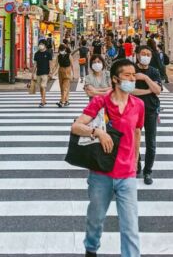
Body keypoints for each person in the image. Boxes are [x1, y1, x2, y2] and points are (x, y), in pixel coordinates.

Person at [71, 58, 144, 257]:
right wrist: (98, 132)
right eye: (127, 75)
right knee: (95, 219)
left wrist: (135, 160)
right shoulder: (100, 102)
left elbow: (137, 132)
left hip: (126, 174)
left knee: (130, 227)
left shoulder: (138, 105)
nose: (132, 79)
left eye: (133, 75)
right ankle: (91, 247)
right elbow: (76, 126)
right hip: (101, 173)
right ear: (115, 79)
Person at [134, 45, 163, 185]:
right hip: (133, 110)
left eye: (148, 54)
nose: (145, 56)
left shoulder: (154, 71)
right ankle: (136, 165)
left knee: (151, 143)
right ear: (138, 55)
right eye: (143, 53)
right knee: (135, 141)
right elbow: (130, 90)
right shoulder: (131, 70)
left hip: (151, 110)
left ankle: (148, 171)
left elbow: (157, 90)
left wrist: (145, 78)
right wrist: (148, 90)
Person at [32, 40, 52, 107]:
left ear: (45, 45)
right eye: (40, 44)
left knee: (43, 86)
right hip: (38, 73)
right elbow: (35, 64)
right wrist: (33, 73)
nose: (40, 45)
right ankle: (44, 99)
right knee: (40, 88)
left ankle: (42, 102)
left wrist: (51, 71)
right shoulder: (36, 54)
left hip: (45, 73)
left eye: (42, 44)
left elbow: (50, 63)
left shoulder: (48, 53)